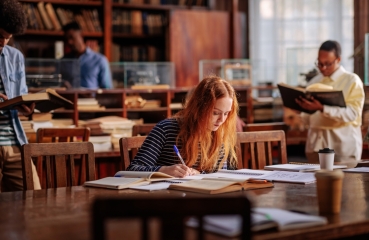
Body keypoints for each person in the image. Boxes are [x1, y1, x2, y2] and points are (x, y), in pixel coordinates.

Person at [126, 76, 239, 177]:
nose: (222, 120)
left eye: (226, 113)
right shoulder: (166, 130)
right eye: (215, 113)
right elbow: (132, 170)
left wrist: (200, 174)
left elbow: (226, 175)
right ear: (199, 108)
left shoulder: (221, 133)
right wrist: (163, 170)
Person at [296, 40, 365, 167]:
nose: (323, 68)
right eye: (320, 64)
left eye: (327, 64)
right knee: (314, 186)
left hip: (342, 148)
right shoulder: (313, 82)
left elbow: (353, 114)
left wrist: (323, 108)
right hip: (315, 147)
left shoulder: (352, 81)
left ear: (338, 59)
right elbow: (307, 119)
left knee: (347, 186)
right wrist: (303, 108)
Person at [0, 0, 41, 191]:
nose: (3, 42)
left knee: (36, 200)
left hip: (16, 143)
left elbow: (21, 95)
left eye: (7, 38)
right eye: (0, 36)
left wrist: (25, 107)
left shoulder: (16, 57)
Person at [62, 22, 113, 89]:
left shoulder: (100, 60)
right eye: (67, 39)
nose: (69, 42)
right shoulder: (64, 61)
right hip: (68, 98)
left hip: (92, 98)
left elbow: (107, 89)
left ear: (81, 36)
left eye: (72, 37)